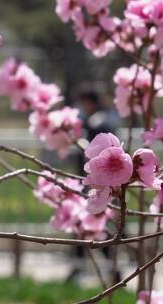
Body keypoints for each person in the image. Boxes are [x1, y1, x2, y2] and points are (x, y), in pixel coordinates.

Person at [67, 90, 121, 283]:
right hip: (105, 183)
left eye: (84, 103)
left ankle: (107, 271)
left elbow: (90, 152)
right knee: (93, 227)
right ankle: (105, 271)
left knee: (94, 227)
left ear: (90, 102)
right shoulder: (106, 120)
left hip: (97, 184)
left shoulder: (95, 122)